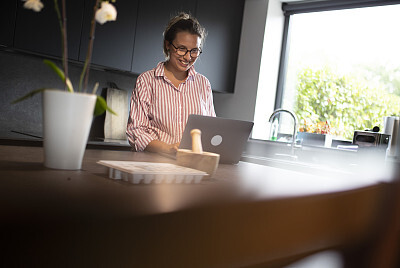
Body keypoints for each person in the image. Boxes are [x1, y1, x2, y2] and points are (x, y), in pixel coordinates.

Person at [126, 12, 216, 154]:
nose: (188, 57)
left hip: (191, 164)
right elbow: (136, 131)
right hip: (154, 165)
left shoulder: (203, 84)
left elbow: (211, 129)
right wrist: (167, 148)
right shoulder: (147, 80)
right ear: (167, 44)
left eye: (194, 51)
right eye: (181, 49)